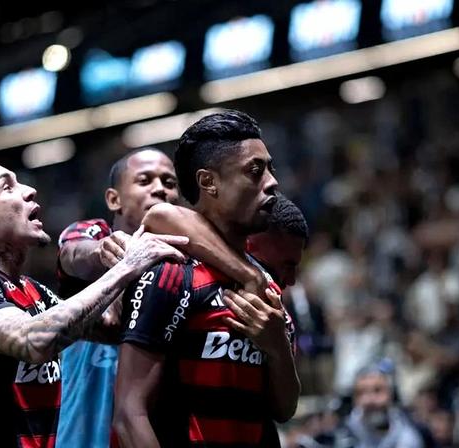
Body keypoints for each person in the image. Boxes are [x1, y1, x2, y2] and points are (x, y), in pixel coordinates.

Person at [0, 160, 188, 447]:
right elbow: (32, 341)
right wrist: (126, 266)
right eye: (7, 187)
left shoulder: (32, 291)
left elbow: (112, 329)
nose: (29, 190)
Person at [57, 148, 294, 447]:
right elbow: (71, 253)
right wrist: (103, 251)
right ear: (114, 199)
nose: (160, 188)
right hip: (87, 426)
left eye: (169, 183)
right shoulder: (93, 233)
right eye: (145, 180)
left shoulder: (188, 264)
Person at [113, 110, 300, 447]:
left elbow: (283, 409)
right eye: (255, 171)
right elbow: (129, 413)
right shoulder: (171, 273)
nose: (272, 182)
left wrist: (277, 348)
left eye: (270, 169)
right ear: (209, 182)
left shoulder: (267, 285)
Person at [335, 360, 425, 448]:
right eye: (361, 393)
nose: (370, 400)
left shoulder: (408, 437)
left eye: (377, 390)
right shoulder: (340, 434)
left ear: (392, 395)